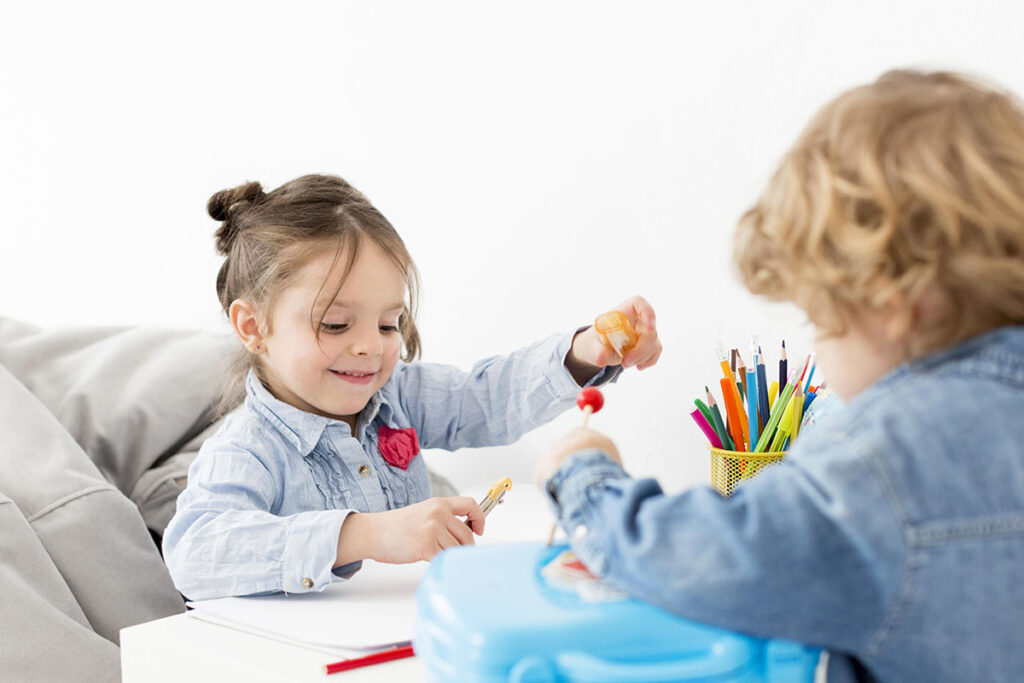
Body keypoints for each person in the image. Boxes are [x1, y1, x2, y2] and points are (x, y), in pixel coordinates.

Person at [536, 70, 1024, 682]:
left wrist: (584, 474)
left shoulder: (885, 462)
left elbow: (702, 559)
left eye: (816, 314)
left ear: (889, 304)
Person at [162, 174, 661, 601]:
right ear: (253, 327)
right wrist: (362, 534)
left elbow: (484, 400)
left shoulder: (398, 394)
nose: (370, 348)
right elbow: (195, 551)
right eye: (335, 325)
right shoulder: (247, 449)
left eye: (387, 324)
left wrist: (584, 352)